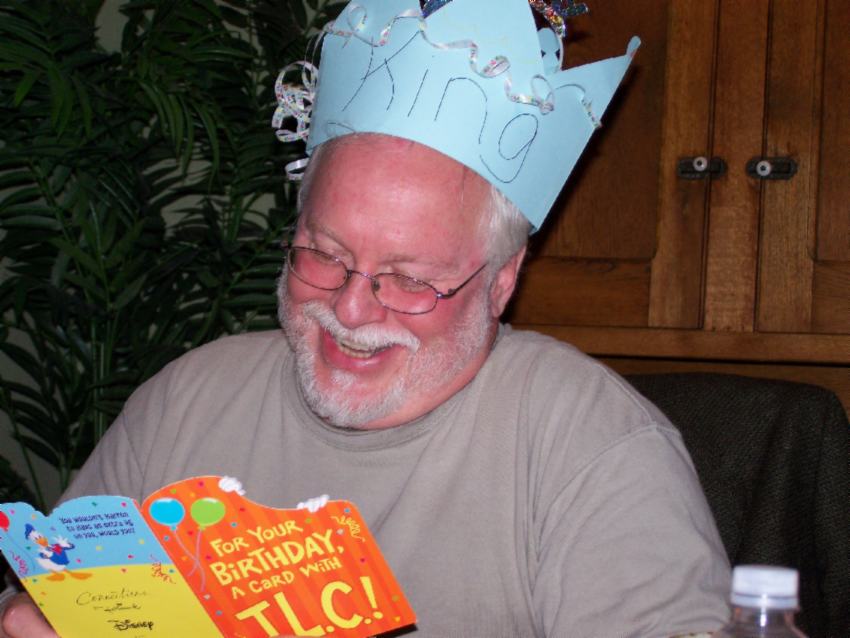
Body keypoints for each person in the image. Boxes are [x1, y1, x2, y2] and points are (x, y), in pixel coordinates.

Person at [1, 1, 732, 636]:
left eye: (409, 279)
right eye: (323, 255)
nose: (349, 310)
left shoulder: (590, 443)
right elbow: (49, 600)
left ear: (502, 281)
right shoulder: (186, 401)